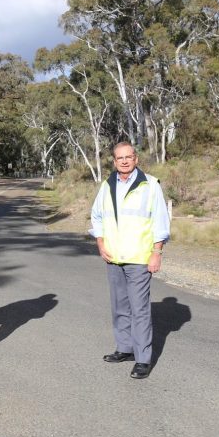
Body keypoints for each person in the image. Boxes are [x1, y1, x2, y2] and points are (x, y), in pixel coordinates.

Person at [89, 142, 170, 379]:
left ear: (136, 159)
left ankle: (143, 359)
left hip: (139, 258)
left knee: (140, 309)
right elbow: (97, 217)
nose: (124, 161)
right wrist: (101, 243)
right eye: (119, 158)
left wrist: (157, 252)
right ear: (114, 161)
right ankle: (124, 348)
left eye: (128, 157)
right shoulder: (107, 185)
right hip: (113, 257)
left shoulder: (150, 185)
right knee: (119, 307)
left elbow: (160, 221)